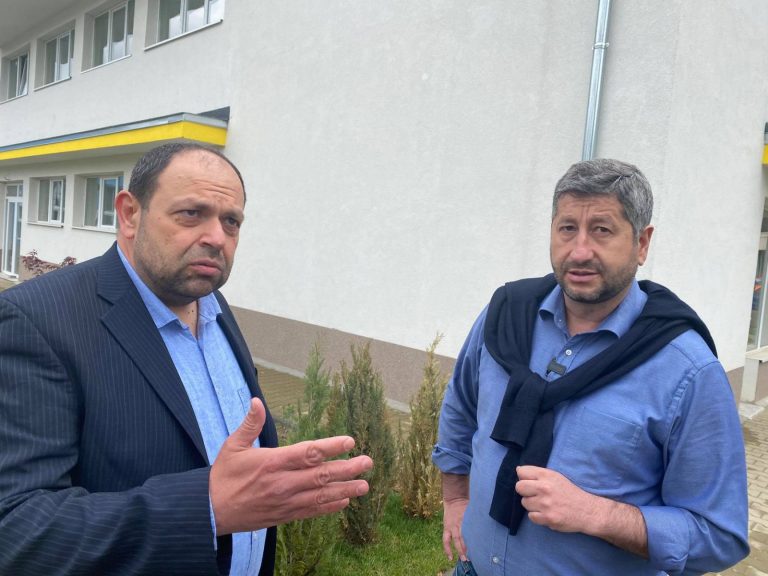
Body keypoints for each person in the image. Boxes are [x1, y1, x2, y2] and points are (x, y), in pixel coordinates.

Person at [0, 142, 372, 575]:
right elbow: (17, 527)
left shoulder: (213, 305)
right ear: (129, 214)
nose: (216, 238)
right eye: (191, 213)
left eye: (231, 221)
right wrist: (207, 508)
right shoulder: (38, 321)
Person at [433, 159, 749, 575]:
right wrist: (455, 496)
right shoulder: (504, 316)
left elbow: (720, 535)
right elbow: (461, 407)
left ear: (641, 243)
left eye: (602, 230)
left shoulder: (687, 371)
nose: (580, 251)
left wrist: (598, 514)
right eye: (567, 228)